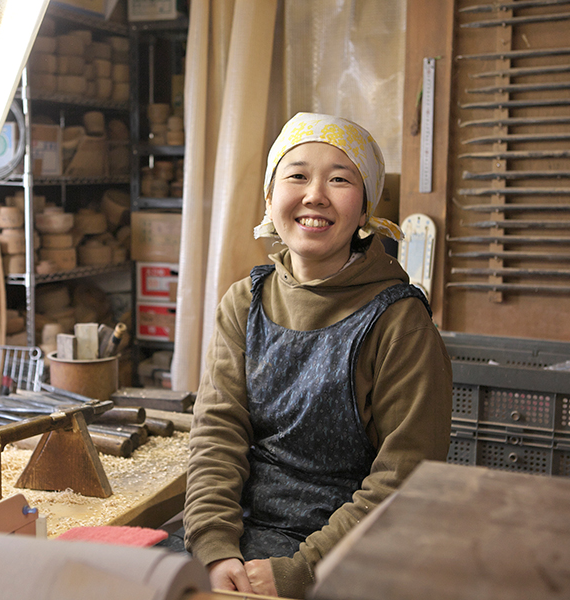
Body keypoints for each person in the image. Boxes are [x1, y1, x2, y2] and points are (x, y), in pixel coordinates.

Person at [177, 112, 453, 598]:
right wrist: (216, 546)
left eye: (340, 179)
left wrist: (300, 569)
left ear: (365, 209)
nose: (314, 195)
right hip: (240, 543)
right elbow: (218, 432)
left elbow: (406, 474)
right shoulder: (244, 301)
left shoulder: (399, 321)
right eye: (297, 175)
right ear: (270, 196)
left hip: (350, 556)